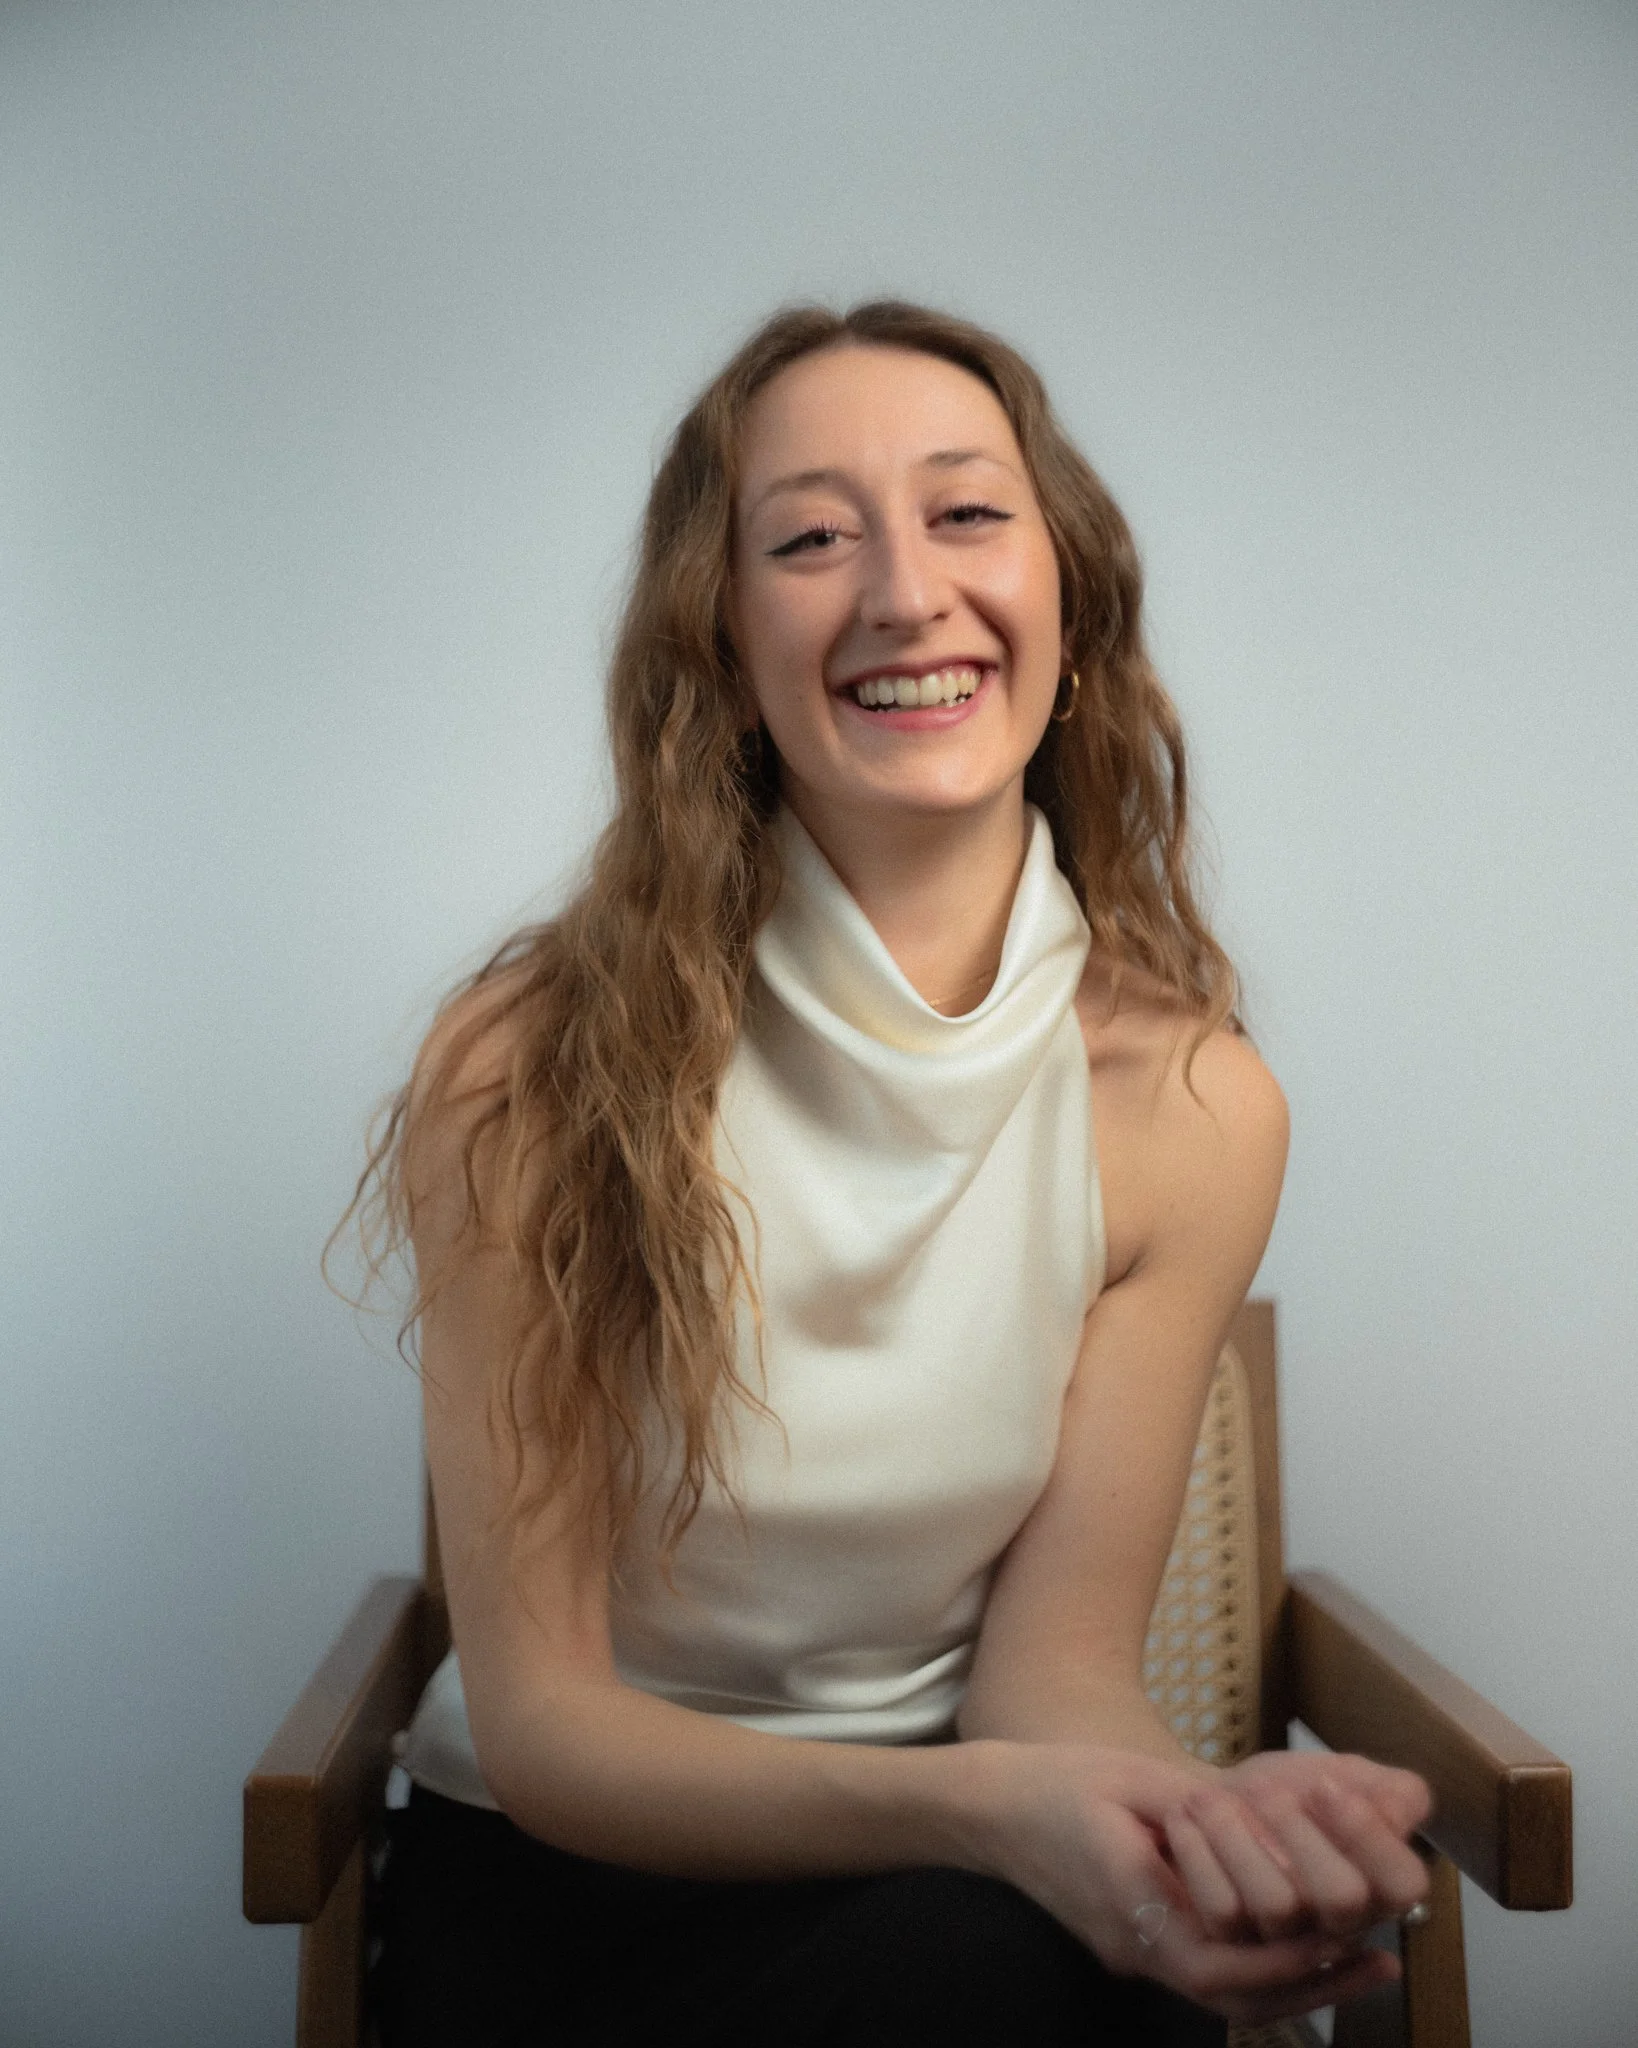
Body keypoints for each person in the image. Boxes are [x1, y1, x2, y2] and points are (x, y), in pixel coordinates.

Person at [353, 299, 1431, 2046]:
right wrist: (989, 1818)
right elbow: (546, 1727)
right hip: (573, 1881)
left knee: (1050, 1981)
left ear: (1065, 600)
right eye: (807, 538)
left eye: (965, 512)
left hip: (959, 1886)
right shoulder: (524, 1067)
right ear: (721, 640)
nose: (903, 591)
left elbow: (1055, 1671)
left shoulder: (1195, 1107)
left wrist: (1205, 1832)